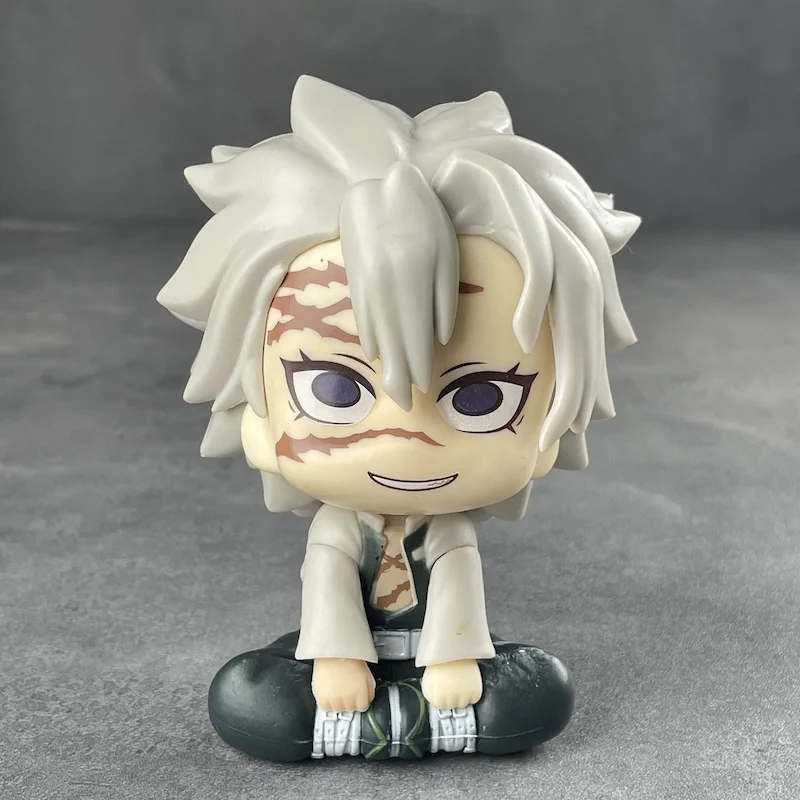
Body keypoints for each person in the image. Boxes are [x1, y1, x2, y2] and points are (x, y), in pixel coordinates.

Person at [157, 75, 640, 761]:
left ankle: (381, 726)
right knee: (248, 694)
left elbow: (459, 591)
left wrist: (453, 660)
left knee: (540, 691)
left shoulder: (447, 531)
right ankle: (414, 722)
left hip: (440, 660)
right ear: (254, 405)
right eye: (335, 389)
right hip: (342, 664)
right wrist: (337, 661)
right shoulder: (339, 529)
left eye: (480, 398)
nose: (407, 440)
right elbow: (328, 591)